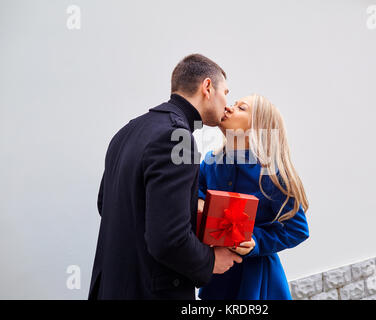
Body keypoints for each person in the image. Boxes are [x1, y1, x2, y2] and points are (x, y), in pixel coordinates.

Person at [88, 54, 243, 300]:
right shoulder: (178, 138)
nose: (227, 104)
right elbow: (169, 238)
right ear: (207, 87)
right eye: (225, 92)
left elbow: (105, 205)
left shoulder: (128, 129)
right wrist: (211, 260)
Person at [197, 94, 310, 300]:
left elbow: (297, 230)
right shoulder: (210, 162)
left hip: (258, 284)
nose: (229, 108)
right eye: (232, 104)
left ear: (257, 127)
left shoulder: (272, 176)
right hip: (216, 278)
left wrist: (256, 241)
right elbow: (196, 189)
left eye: (241, 108)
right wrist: (200, 201)